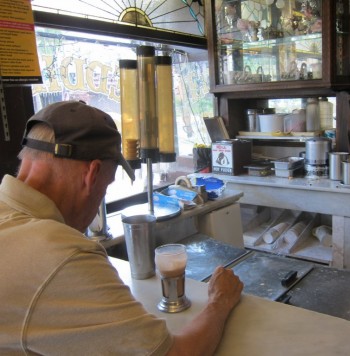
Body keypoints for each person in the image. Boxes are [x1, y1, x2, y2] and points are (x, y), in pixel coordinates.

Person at [0, 101, 243, 355]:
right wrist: (220, 301)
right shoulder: (61, 256)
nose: (99, 200)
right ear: (91, 174)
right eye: (105, 188)